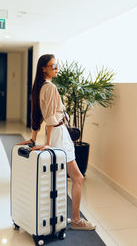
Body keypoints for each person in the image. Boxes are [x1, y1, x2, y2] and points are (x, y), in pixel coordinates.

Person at [18, 54, 96, 231]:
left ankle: (58, 216)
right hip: (58, 133)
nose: (56, 68)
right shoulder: (50, 87)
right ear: (43, 68)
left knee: (58, 178)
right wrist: (48, 142)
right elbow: (51, 117)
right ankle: (76, 220)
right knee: (78, 178)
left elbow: (37, 115)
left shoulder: (39, 87)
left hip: (55, 134)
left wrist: (34, 137)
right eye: (53, 66)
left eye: (56, 65)